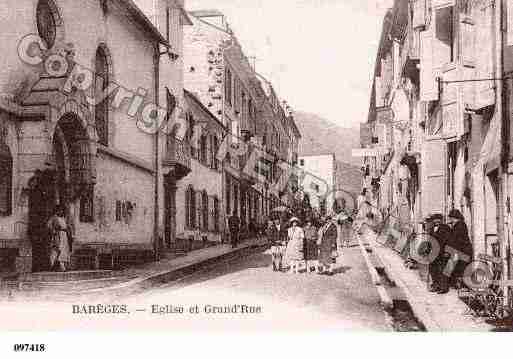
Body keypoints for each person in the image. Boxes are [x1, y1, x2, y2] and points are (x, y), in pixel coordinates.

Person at [446, 209, 473, 288]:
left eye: (451, 218)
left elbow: (456, 239)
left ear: (454, 218)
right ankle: (458, 285)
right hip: (462, 250)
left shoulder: (459, 225)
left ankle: (462, 286)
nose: (450, 220)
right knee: (458, 268)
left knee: (461, 269)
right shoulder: (459, 224)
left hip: (463, 251)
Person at [425, 213, 451, 294]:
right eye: (435, 219)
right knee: (433, 270)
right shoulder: (431, 228)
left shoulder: (446, 228)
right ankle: (436, 285)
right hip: (433, 252)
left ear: (441, 220)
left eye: (438, 219)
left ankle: (443, 288)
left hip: (442, 252)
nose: (436, 221)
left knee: (442, 270)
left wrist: (447, 252)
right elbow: (430, 240)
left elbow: (448, 241)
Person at [47, 204, 72, 272]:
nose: (61, 212)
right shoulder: (54, 218)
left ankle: (62, 266)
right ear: (56, 211)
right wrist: (54, 231)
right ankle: (52, 265)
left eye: (62, 210)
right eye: (59, 210)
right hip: (58, 235)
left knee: (64, 250)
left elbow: (67, 226)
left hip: (64, 236)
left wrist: (69, 231)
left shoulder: (64, 218)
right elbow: (49, 225)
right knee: (57, 249)